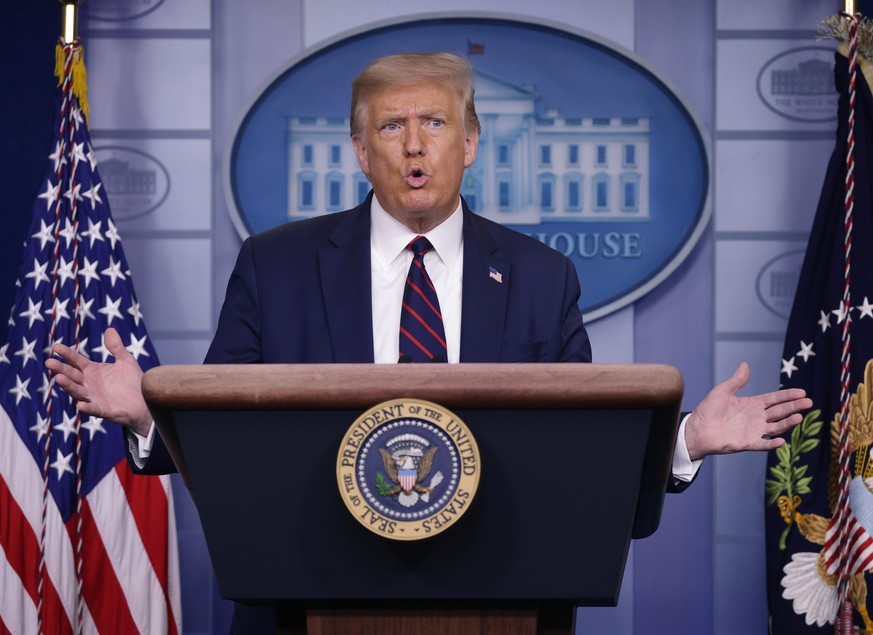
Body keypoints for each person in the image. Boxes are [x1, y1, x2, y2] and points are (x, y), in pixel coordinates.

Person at [45, 52, 810, 485]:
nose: (414, 146)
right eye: (391, 127)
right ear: (359, 150)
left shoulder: (542, 277)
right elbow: (226, 441)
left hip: (496, 589)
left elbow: (581, 451)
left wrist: (687, 440)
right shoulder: (274, 267)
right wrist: (146, 416)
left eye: (435, 123)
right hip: (306, 584)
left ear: (471, 142)